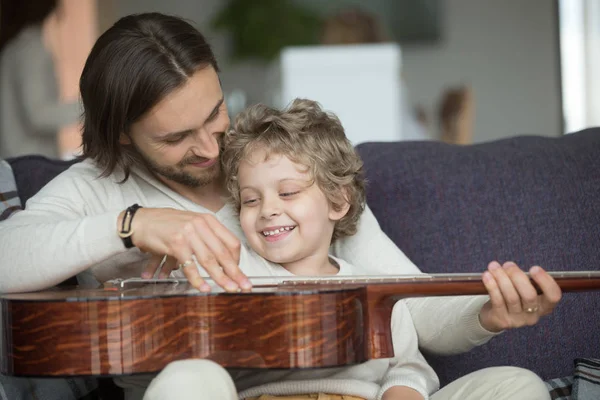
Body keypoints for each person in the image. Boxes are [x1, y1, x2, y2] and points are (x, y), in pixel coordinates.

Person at [0, 13, 559, 400]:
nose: (211, 147)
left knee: (516, 386)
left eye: (214, 113)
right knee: (189, 381)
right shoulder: (97, 188)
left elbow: (412, 311)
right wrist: (134, 225)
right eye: (176, 138)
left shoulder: (281, 166)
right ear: (121, 133)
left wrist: (487, 315)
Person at [0, 0, 84, 159]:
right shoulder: (31, 49)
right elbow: (38, 115)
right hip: (29, 163)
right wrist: (94, 106)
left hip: (15, 161)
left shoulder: (13, 47)